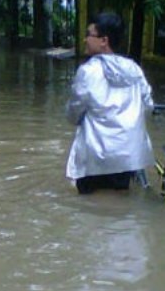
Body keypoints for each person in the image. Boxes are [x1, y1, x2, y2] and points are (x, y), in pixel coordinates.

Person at [65, 12, 154, 194]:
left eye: (89, 35)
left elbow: (74, 112)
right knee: (120, 203)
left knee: (89, 210)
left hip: (97, 155)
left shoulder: (88, 71)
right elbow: (148, 105)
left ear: (103, 40)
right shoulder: (134, 69)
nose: (84, 40)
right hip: (128, 153)